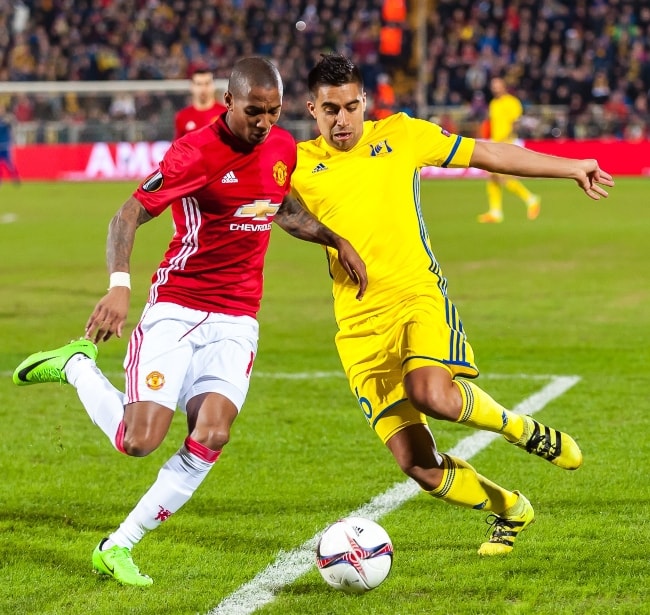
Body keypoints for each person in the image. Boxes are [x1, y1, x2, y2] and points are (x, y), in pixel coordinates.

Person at [12, 57, 367, 586]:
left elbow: (281, 206)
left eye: (273, 112)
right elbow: (126, 214)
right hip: (178, 308)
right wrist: (118, 286)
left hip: (238, 318)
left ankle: (118, 545)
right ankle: (77, 366)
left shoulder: (281, 148)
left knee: (214, 433)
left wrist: (335, 239)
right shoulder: (194, 153)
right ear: (228, 102)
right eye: (254, 112)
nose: (265, 123)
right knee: (139, 441)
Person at [291, 54, 614, 557]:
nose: (341, 120)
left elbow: (486, 153)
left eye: (351, 107)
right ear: (312, 108)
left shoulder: (402, 134)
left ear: (365, 104)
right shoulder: (296, 164)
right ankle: (510, 508)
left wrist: (570, 167)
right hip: (356, 327)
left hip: (416, 295)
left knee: (433, 394)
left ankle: (521, 429)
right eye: (329, 109)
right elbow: (277, 211)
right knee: (417, 464)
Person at [477, 77, 541, 223]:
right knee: (493, 175)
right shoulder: (493, 104)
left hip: (507, 143)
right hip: (495, 143)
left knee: (501, 176)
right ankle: (495, 212)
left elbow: (515, 123)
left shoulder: (512, 102)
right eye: (492, 85)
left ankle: (530, 199)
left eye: (497, 85)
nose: (494, 88)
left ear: (504, 86)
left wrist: (505, 139)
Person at [174, 68, 228, 139]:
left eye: (207, 83)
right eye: (199, 84)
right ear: (192, 87)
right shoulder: (182, 116)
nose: (203, 88)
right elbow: (178, 147)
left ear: (213, 86)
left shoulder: (225, 113)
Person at [0, 104, 21, 186]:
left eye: (1, 109)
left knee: (9, 163)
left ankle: (16, 178)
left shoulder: (7, 119)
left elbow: (14, 124)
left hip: (5, 144)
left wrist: (11, 120)